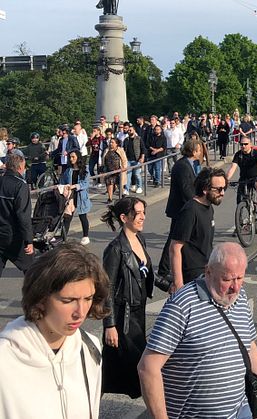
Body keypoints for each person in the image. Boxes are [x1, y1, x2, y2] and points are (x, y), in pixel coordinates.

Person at [139, 243, 257, 419]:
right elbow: (148, 367)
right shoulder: (182, 305)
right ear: (208, 272)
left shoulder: (240, 298)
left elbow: (249, 345)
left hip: (240, 411)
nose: (236, 287)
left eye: (240, 278)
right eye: (227, 280)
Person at [0, 243, 109, 419]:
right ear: (40, 298)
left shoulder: (89, 348)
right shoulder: (5, 359)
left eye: (88, 298)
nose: (80, 312)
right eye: (68, 300)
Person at [100, 197, 153, 398]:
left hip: (138, 313)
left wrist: (170, 285)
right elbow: (107, 288)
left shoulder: (140, 239)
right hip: (123, 317)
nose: (142, 217)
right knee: (137, 366)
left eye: (143, 212)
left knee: (117, 368)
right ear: (124, 218)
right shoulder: (115, 250)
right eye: (137, 214)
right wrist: (110, 325)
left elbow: (144, 272)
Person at [169, 167, 227, 291]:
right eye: (219, 189)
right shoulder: (191, 210)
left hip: (206, 272)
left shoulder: (209, 207)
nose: (222, 193)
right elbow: (175, 247)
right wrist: (178, 284)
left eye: (224, 188)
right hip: (193, 277)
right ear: (205, 189)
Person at [158, 138, 204, 280]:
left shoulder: (187, 163)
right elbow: (186, 189)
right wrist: (195, 203)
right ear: (194, 151)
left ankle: (169, 267)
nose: (201, 152)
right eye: (199, 149)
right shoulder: (183, 166)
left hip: (182, 207)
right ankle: (164, 270)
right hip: (181, 209)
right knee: (175, 238)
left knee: (179, 238)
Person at [0, 154, 33, 277]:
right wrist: (28, 240)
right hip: (14, 236)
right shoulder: (20, 185)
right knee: (31, 269)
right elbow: (23, 215)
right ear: (19, 167)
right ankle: (34, 295)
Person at [60, 150, 92, 245]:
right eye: (70, 157)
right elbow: (62, 180)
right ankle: (63, 238)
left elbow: (85, 183)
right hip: (70, 196)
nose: (71, 159)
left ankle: (85, 236)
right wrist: (64, 186)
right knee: (67, 217)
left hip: (81, 196)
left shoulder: (85, 169)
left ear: (78, 157)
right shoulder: (69, 170)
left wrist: (75, 186)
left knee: (83, 216)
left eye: (73, 157)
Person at [227, 136, 257, 211]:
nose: (243, 146)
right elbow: (232, 168)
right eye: (241, 144)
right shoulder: (238, 155)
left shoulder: (256, 153)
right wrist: (226, 179)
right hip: (243, 178)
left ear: (250, 144)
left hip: (256, 177)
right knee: (239, 200)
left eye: (245, 144)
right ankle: (240, 218)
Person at [103, 137, 128, 204]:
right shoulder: (106, 150)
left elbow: (124, 159)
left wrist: (124, 167)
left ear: (117, 144)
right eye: (110, 142)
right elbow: (103, 159)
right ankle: (110, 198)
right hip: (109, 170)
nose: (111, 144)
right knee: (109, 184)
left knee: (120, 184)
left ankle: (122, 195)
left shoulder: (120, 150)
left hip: (118, 170)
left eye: (112, 142)